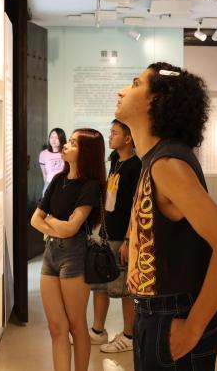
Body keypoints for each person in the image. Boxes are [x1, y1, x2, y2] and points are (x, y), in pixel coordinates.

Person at [115, 62, 217, 371]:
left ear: (156, 99)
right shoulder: (156, 160)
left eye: (135, 84)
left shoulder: (167, 164)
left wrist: (193, 327)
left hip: (171, 315)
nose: (122, 91)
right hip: (156, 312)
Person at [30, 128, 106, 371]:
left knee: (76, 325)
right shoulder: (57, 180)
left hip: (75, 255)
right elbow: (34, 220)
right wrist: (57, 225)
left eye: (73, 143)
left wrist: (50, 220)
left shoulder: (90, 186)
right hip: (50, 254)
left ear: (86, 152)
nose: (65, 145)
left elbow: (72, 228)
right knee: (56, 328)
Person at [87, 120, 141, 353]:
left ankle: (129, 335)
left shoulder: (136, 167)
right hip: (106, 234)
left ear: (128, 139)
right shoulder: (115, 161)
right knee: (100, 285)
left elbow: (136, 207)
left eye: (114, 133)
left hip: (122, 236)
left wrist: (128, 240)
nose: (110, 136)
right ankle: (98, 331)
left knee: (125, 289)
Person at [40, 128, 67, 195]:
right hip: (49, 184)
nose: (53, 140)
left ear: (61, 139)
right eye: (51, 137)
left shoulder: (66, 152)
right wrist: (47, 186)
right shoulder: (43, 154)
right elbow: (44, 174)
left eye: (56, 138)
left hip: (63, 185)